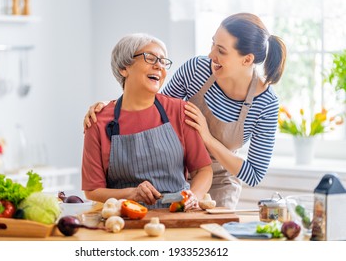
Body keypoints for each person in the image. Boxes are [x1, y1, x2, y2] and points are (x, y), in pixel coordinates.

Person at [84, 13, 287, 209]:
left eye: (221, 51)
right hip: (176, 170)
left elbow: (254, 174)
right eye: (213, 44)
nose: (211, 55)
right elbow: (152, 104)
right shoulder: (197, 70)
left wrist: (207, 138)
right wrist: (111, 107)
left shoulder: (266, 104)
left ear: (247, 59)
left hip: (218, 179)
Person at [82, 33, 213, 210]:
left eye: (163, 61)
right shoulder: (98, 121)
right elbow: (93, 190)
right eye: (150, 58)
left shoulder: (180, 111)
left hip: (178, 215)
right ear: (124, 68)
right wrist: (131, 194)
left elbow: (203, 170)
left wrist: (193, 196)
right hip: (125, 220)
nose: (159, 66)